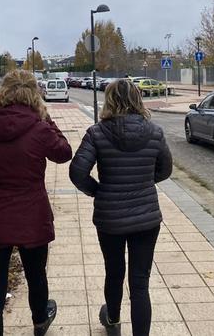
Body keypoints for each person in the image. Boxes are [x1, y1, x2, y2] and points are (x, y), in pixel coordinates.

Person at [0, 70, 72, 336]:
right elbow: (64, 152)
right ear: (34, 95)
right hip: (32, 215)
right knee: (36, 277)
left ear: (3, 93)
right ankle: (39, 321)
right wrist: (47, 120)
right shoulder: (40, 128)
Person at [69, 79, 173, 336]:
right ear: (137, 99)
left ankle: (113, 320)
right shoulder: (155, 132)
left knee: (113, 271)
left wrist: (99, 191)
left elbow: (77, 172)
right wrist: (143, 183)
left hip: (110, 217)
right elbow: (165, 169)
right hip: (146, 217)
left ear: (110, 100)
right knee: (140, 282)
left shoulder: (97, 132)